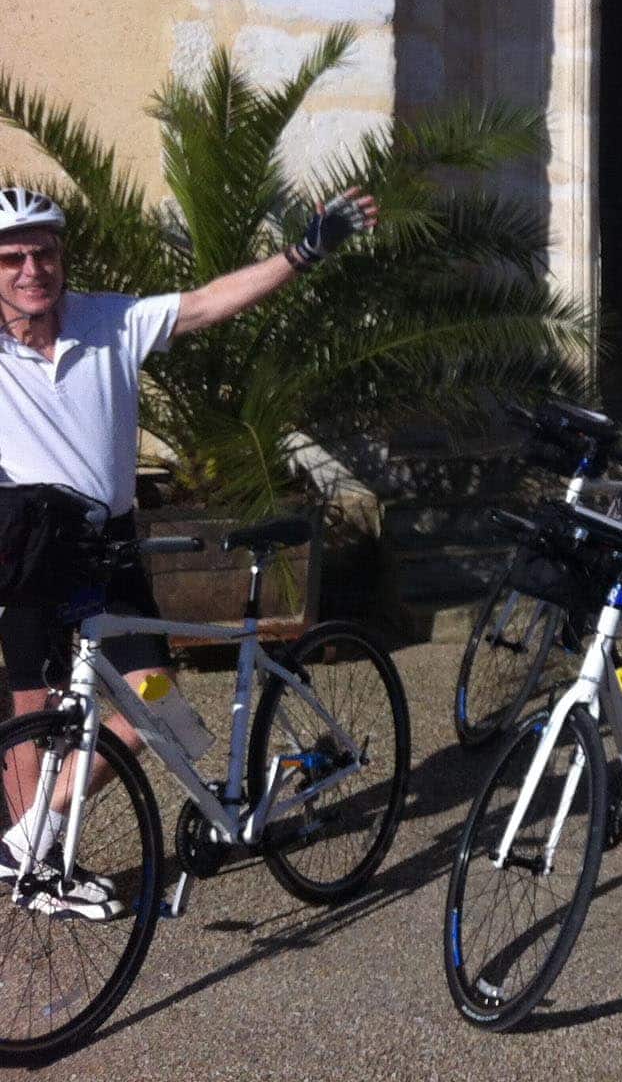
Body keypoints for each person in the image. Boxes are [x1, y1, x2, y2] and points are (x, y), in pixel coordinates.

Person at [0, 183, 376, 918]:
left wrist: (302, 253)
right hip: (28, 550)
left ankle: (30, 836)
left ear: (61, 256)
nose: (30, 269)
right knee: (29, 717)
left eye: (43, 252)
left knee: (159, 711)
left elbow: (207, 302)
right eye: (12, 256)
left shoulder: (110, 320)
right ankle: (36, 864)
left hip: (106, 549)